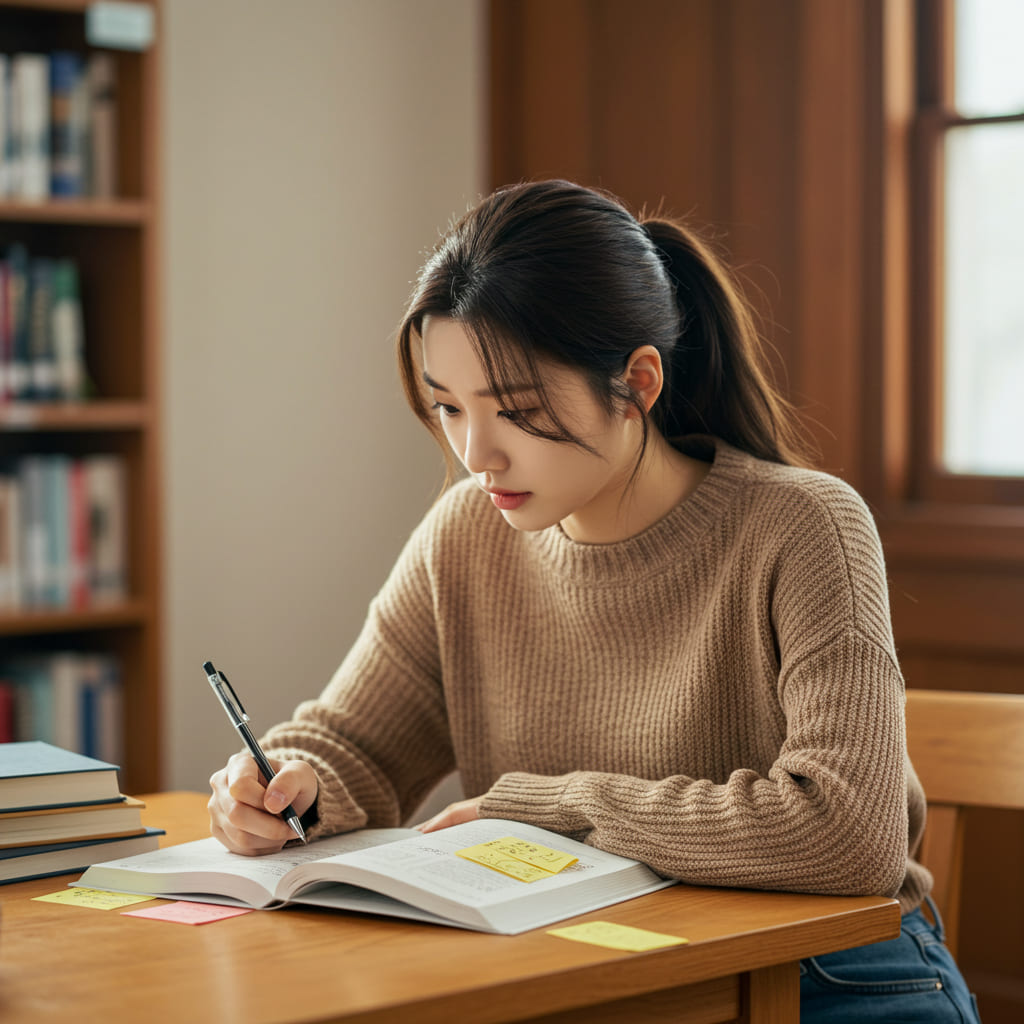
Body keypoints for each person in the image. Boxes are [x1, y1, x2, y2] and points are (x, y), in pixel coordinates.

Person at [208, 179, 980, 1022]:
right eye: (447, 406)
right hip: (594, 972)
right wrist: (287, 787)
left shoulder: (803, 526)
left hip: (826, 979)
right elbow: (353, 744)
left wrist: (556, 806)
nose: (477, 454)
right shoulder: (465, 536)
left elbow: (848, 832)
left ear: (637, 383)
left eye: (518, 411)